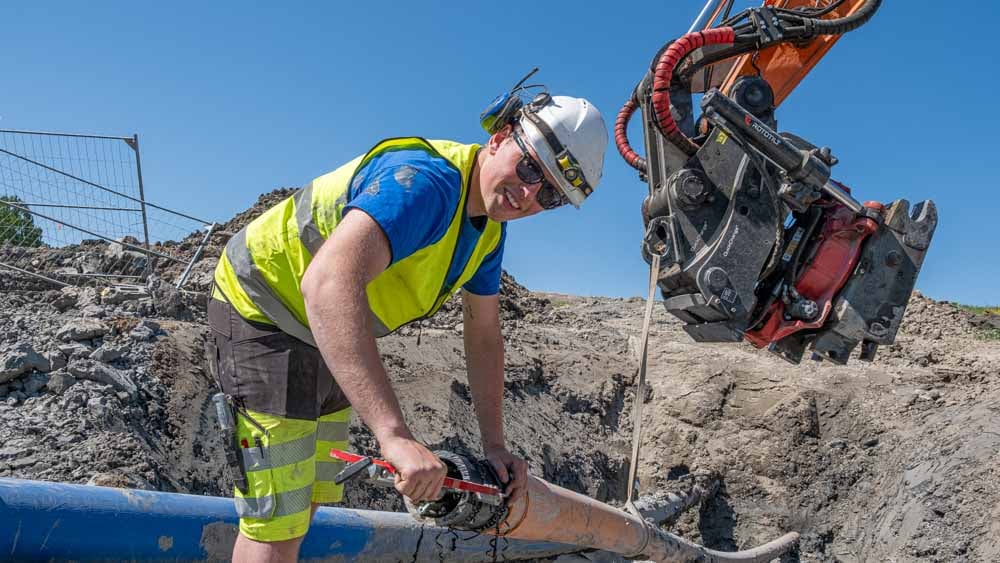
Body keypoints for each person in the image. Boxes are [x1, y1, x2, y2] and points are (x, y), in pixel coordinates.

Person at [206, 89, 608, 562]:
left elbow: (483, 339)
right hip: (266, 311)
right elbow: (329, 282)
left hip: (326, 331)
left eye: (551, 196)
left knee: (309, 496)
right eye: (530, 169)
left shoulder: (487, 233)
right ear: (501, 138)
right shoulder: (426, 184)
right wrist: (394, 435)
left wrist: (495, 447)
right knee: (277, 518)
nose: (528, 195)